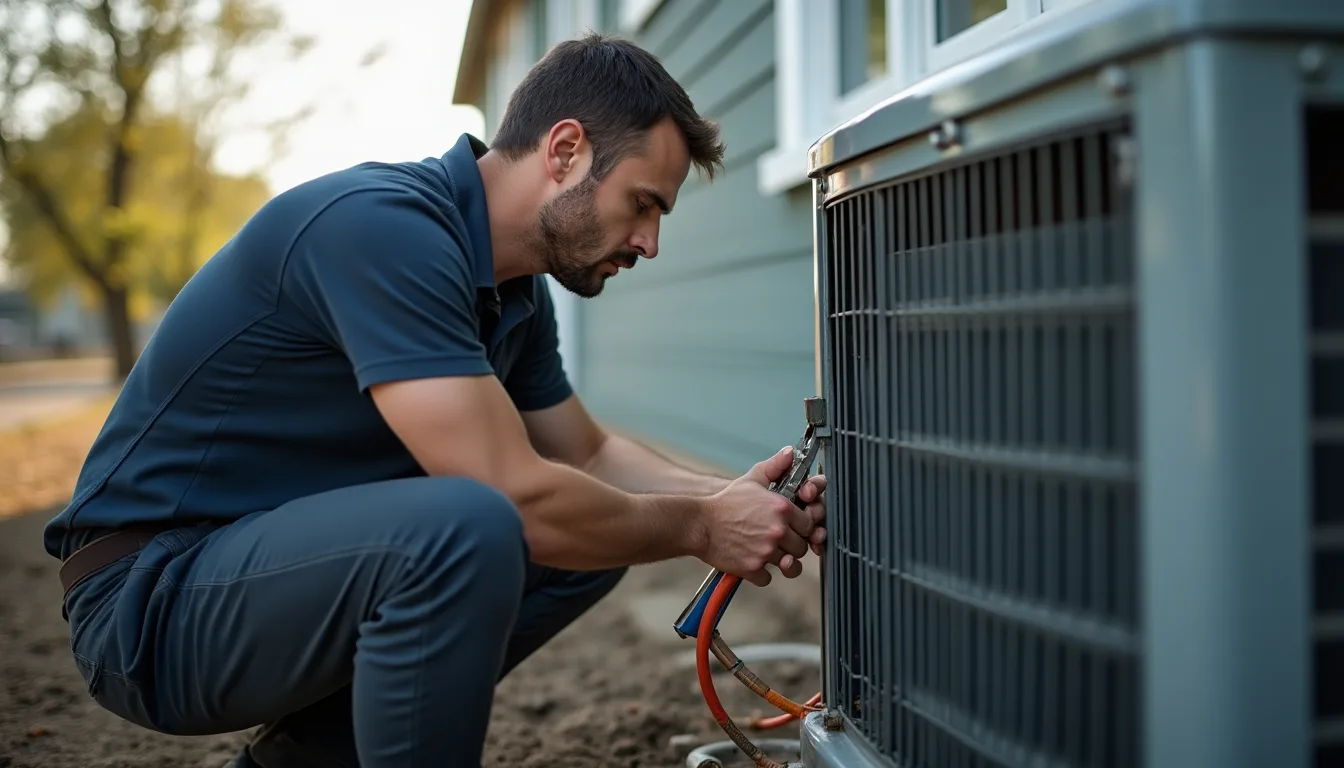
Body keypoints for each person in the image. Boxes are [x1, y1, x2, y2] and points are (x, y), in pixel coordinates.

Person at [43, 32, 828, 768]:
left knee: (591, 537)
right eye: (643, 203)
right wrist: (699, 526)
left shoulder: (513, 289)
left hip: (259, 578)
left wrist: (727, 497)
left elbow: (587, 454)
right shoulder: (383, 230)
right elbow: (514, 501)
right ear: (565, 151)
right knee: (481, 523)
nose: (649, 242)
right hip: (151, 605)